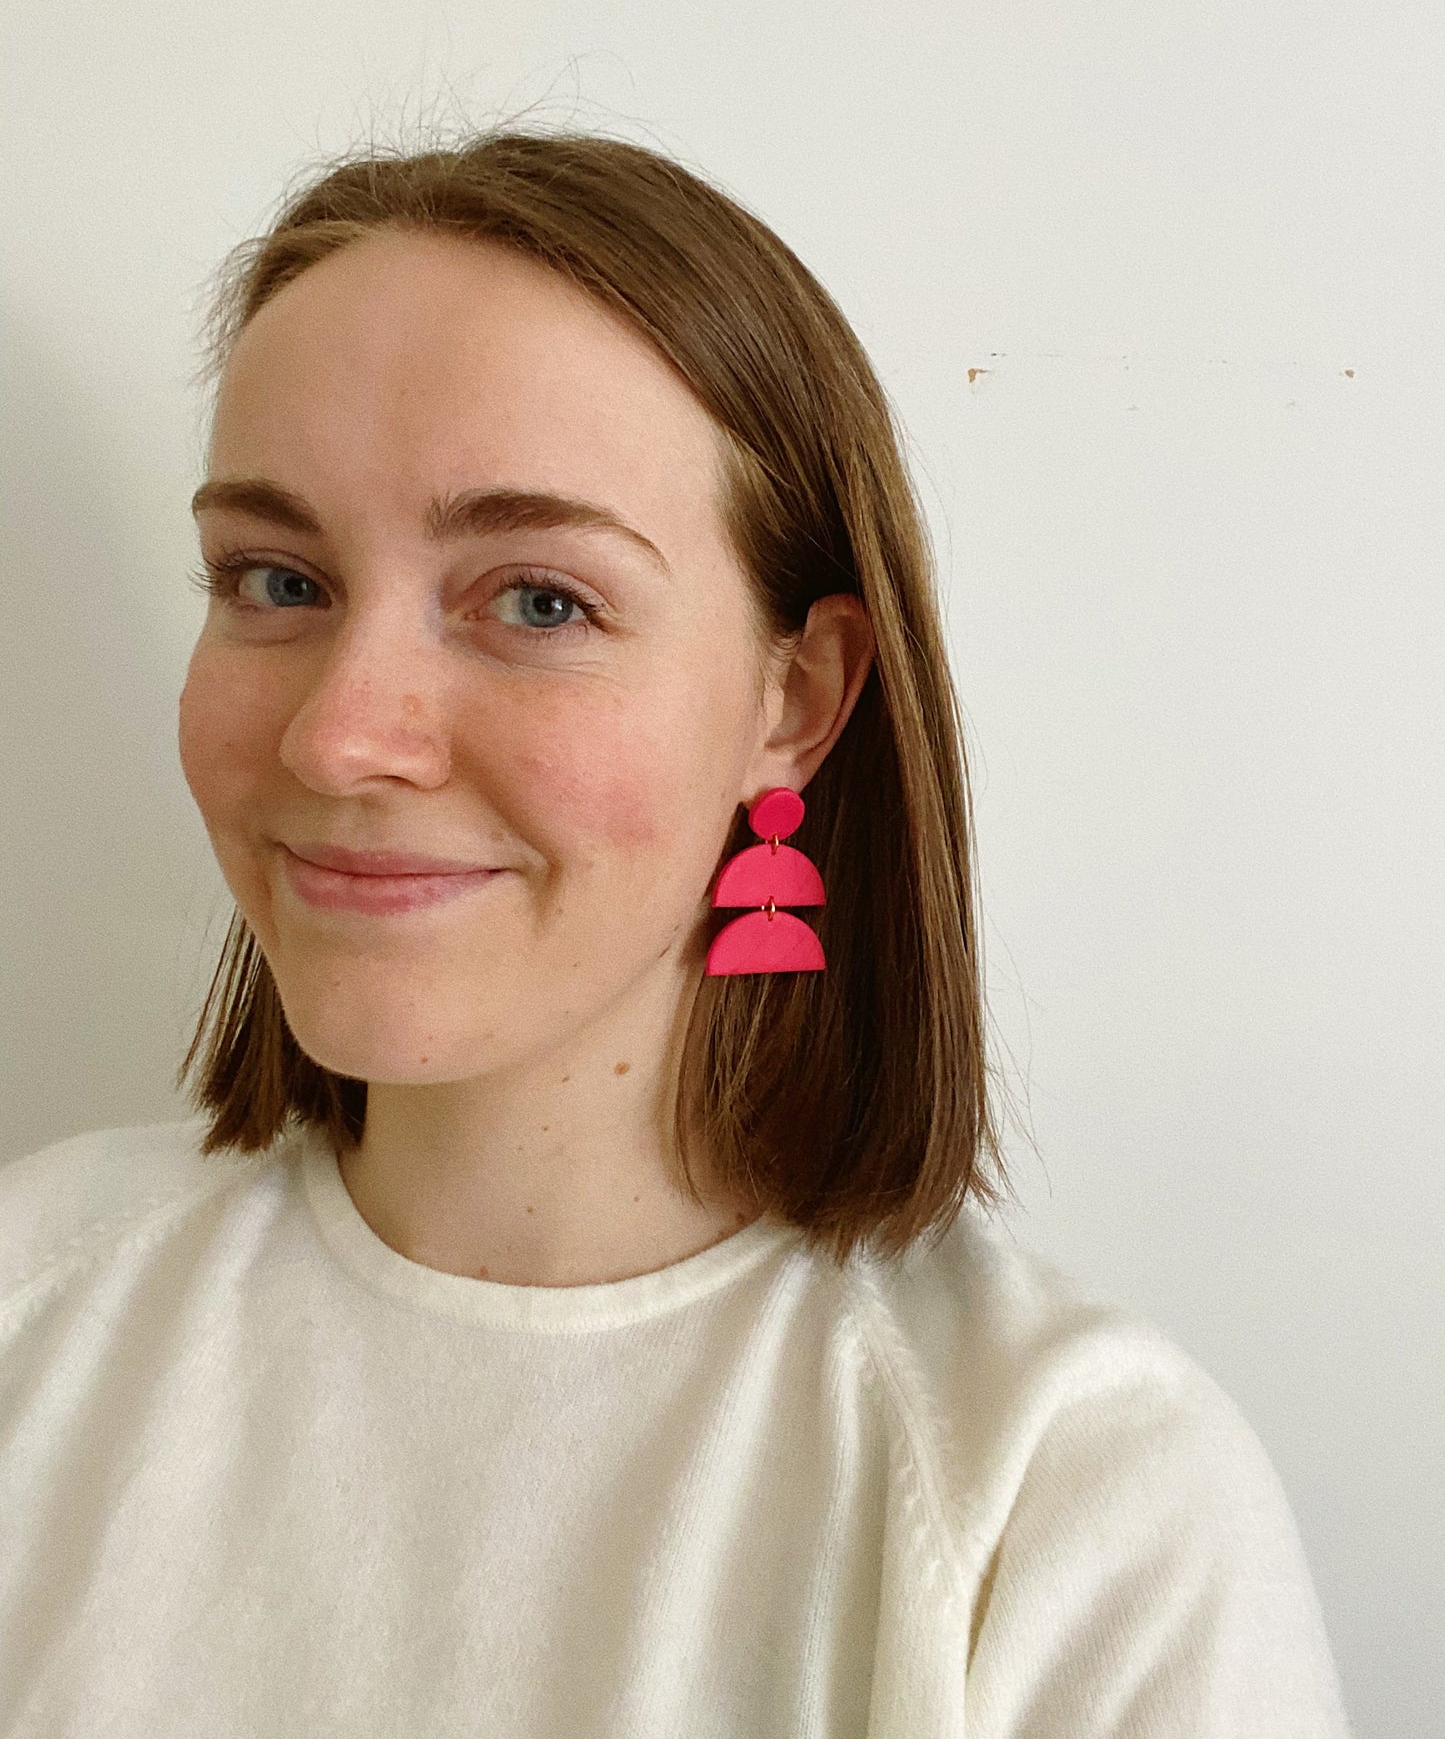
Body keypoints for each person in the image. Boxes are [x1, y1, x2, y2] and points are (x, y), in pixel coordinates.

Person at [0, 128, 1352, 1736]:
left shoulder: (1060, 1498)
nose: (340, 738)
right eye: (276, 579)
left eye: (540, 601)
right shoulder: (32, 1307)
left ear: (795, 700)